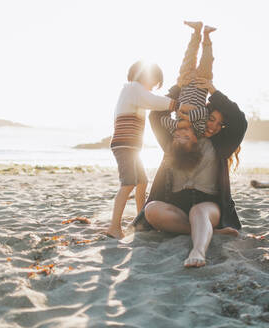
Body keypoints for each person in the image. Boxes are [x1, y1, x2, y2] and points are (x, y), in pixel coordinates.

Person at [132, 59, 247, 268]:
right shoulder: (174, 139)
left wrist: (213, 90)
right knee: (151, 210)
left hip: (208, 204)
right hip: (175, 205)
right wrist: (178, 87)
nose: (213, 126)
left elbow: (240, 121)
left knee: (199, 212)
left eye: (219, 123)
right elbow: (156, 114)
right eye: (211, 119)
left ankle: (198, 250)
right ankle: (211, 231)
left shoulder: (219, 145)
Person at [106, 61, 195, 239]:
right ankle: (114, 227)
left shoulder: (136, 92)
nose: (153, 87)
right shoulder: (132, 88)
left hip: (132, 147)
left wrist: (176, 91)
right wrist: (177, 105)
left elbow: (152, 101)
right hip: (124, 145)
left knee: (142, 182)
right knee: (128, 183)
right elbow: (153, 101)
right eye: (154, 82)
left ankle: (141, 219)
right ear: (145, 76)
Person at [160, 21, 216, 137]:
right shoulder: (198, 130)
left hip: (185, 82)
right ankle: (206, 35)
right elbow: (204, 112)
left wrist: (178, 125)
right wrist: (188, 118)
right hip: (202, 82)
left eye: (179, 135)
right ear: (194, 139)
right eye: (186, 137)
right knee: (207, 59)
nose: (183, 133)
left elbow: (163, 120)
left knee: (189, 56)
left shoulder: (175, 127)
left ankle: (196, 31)